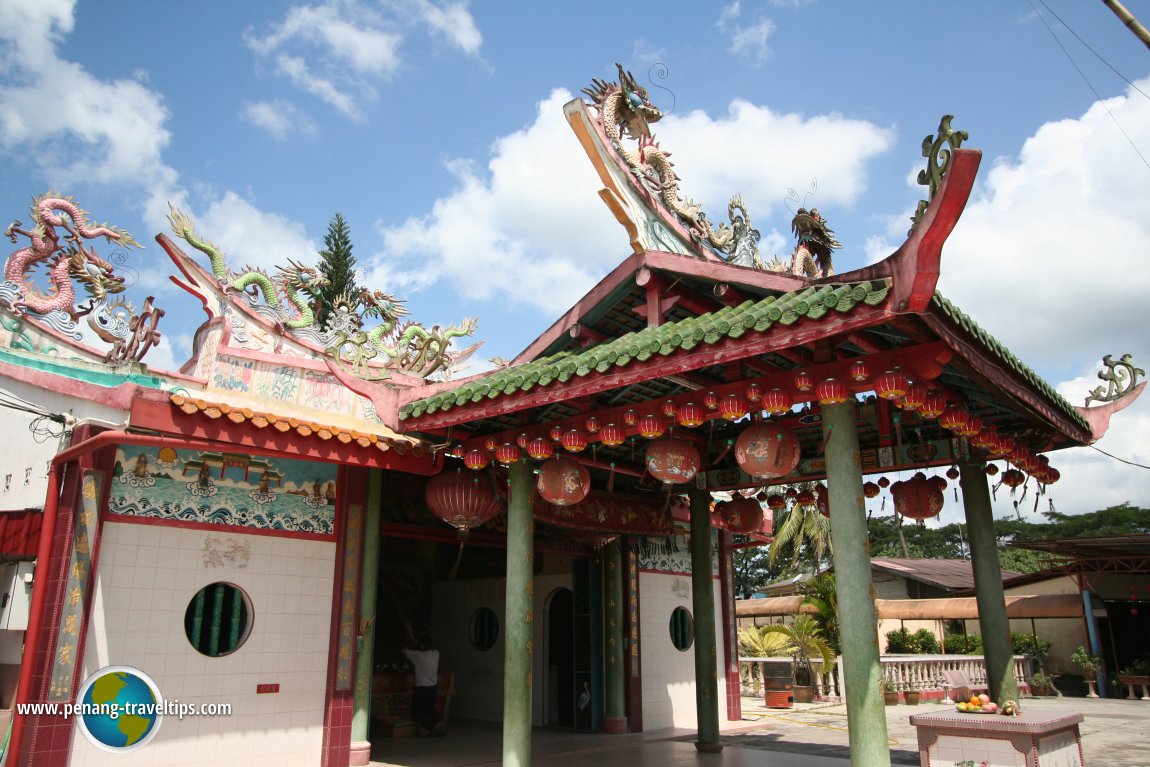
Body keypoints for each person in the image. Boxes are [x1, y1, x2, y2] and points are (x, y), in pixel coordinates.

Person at [403, 634, 445, 736]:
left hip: (421, 688)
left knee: (416, 712)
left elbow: (404, 651)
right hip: (433, 688)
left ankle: (433, 726)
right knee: (430, 709)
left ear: (421, 644)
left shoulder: (417, 655)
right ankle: (439, 724)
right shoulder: (436, 653)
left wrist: (413, 645)